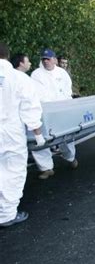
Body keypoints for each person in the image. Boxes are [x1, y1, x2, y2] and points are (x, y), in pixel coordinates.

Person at [0, 43, 45, 227]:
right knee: (13, 170)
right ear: (7, 55)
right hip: (10, 132)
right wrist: (37, 133)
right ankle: (7, 214)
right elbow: (30, 108)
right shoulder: (18, 78)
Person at [31, 48, 78, 179]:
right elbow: (39, 94)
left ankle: (70, 157)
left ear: (54, 60)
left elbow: (68, 90)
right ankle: (46, 168)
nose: (46, 61)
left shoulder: (62, 73)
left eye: (48, 59)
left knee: (66, 137)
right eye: (43, 59)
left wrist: (67, 104)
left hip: (63, 109)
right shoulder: (36, 74)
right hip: (45, 110)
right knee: (41, 139)